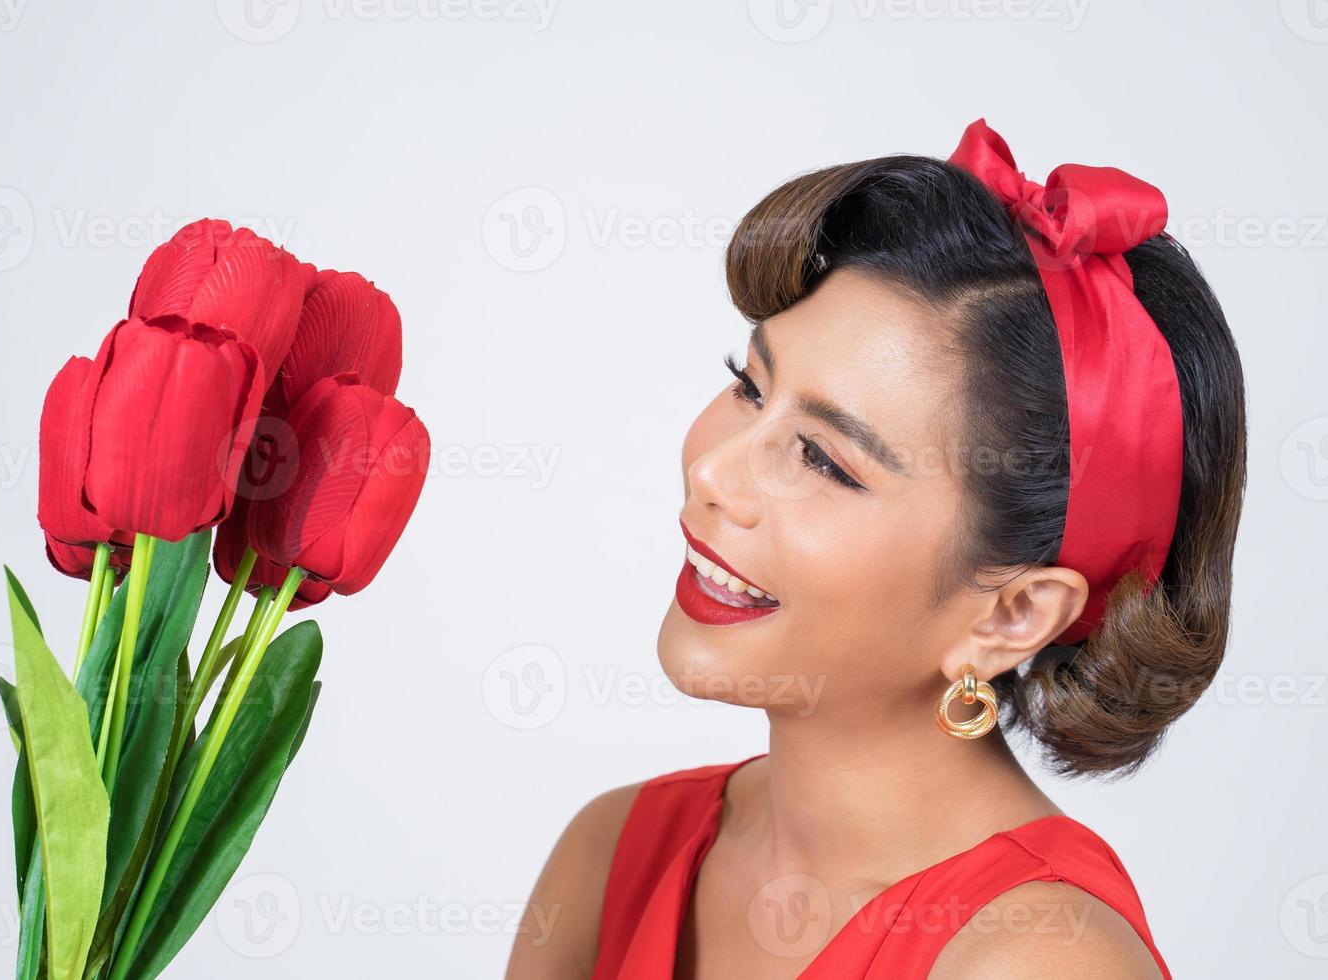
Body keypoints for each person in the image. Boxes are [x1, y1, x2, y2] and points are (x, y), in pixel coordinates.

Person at [505, 119, 1246, 979]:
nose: (712, 471)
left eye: (823, 458)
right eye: (750, 386)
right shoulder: (613, 853)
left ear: (1011, 614)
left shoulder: (1041, 963)